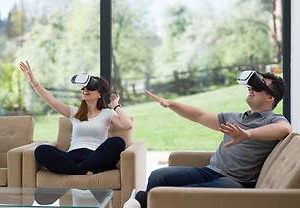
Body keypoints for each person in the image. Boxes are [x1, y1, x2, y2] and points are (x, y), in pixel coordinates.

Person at [123, 71, 292, 208]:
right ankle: (142, 202)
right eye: (251, 85)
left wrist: (248, 134)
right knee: (159, 176)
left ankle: (139, 201)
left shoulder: (272, 120)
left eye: (258, 86)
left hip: (236, 181)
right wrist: (171, 104)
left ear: (270, 98)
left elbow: (285, 129)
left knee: (175, 195)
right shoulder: (234, 117)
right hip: (211, 170)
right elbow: (199, 115)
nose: (250, 88)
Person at [20, 60, 133, 175]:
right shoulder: (74, 112)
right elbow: (51, 100)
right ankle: (84, 171)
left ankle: (79, 169)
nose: (85, 90)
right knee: (41, 150)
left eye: (90, 87)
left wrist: (116, 106)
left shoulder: (108, 114)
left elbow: (128, 125)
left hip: (95, 157)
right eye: (84, 87)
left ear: (100, 94)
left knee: (118, 142)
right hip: (71, 157)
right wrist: (33, 82)